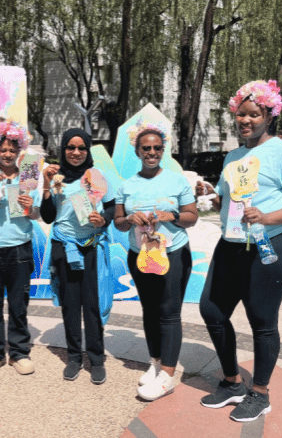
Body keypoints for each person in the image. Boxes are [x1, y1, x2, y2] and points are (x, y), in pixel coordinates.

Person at [196, 80, 282, 422]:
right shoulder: (233, 156)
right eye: (241, 114)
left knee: (261, 320)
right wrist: (210, 194)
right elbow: (226, 200)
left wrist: (266, 217)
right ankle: (232, 382)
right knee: (211, 310)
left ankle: (260, 393)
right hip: (231, 243)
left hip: (271, 245)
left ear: (269, 115)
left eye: (254, 114)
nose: (245, 120)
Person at [113, 121, 198, 401]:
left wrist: (170, 216)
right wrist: (129, 217)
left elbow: (192, 217)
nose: (152, 152)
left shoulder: (176, 180)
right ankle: (156, 363)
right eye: (146, 148)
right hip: (140, 255)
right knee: (149, 310)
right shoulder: (127, 185)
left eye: (157, 148)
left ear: (163, 150)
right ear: (137, 151)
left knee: (169, 312)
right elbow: (118, 223)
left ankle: (167, 377)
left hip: (173, 253)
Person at [40, 128, 115, 385]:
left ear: (88, 150)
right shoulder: (56, 177)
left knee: (92, 304)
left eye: (81, 147)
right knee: (70, 304)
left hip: (91, 246)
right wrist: (47, 186)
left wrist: (102, 219)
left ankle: (96, 359)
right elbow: (48, 216)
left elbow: (112, 207)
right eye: (70, 147)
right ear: (63, 149)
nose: (76, 152)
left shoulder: (96, 176)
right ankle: (74, 357)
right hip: (64, 247)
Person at [0, 120, 40, 377]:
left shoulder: (29, 174)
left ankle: (19, 352)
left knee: (18, 303)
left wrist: (29, 207)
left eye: (13, 149)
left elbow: (37, 214)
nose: (8, 154)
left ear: (20, 149)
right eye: (3, 149)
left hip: (20, 246)